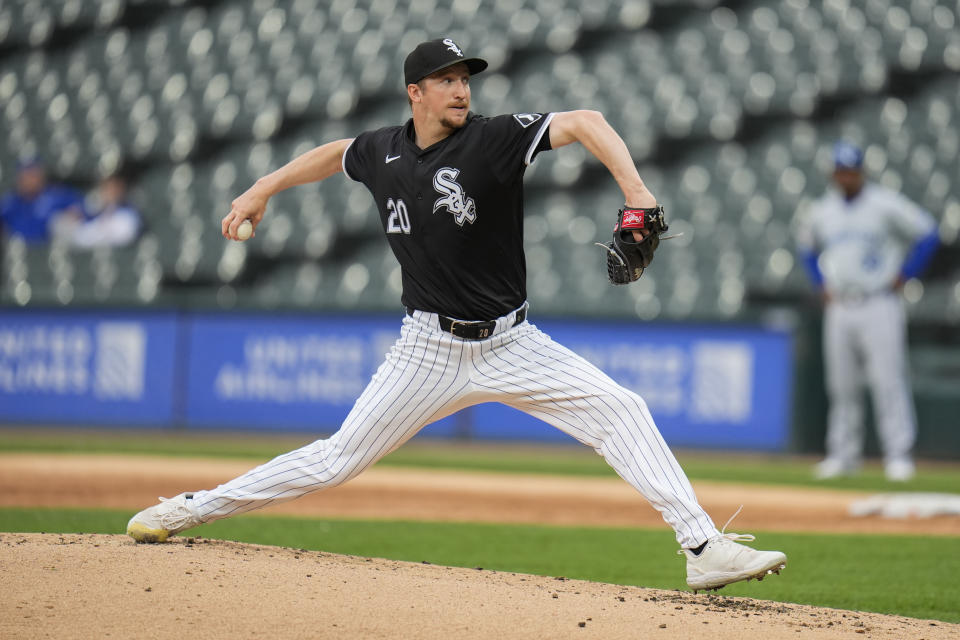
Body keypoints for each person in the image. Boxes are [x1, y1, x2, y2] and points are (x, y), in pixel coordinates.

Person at [127, 38, 786, 592]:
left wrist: (636, 190)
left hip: (512, 341)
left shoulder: (495, 142)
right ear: (415, 92)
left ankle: (703, 549)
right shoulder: (384, 152)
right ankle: (191, 508)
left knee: (622, 410)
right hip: (427, 352)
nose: (462, 89)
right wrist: (260, 189)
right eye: (446, 80)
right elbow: (336, 152)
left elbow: (584, 120)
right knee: (336, 461)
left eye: (465, 78)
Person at [798, 141, 939, 482]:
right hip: (841, 304)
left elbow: (929, 233)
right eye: (840, 171)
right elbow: (806, 248)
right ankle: (843, 455)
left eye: (851, 171)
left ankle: (899, 454)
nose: (846, 176)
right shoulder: (822, 210)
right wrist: (820, 282)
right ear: (834, 173)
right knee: (841, 384)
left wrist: (907, 274)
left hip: (879, 301)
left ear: (861, 172)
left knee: (888, 380)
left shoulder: (884, 204)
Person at [0, 157, 84, 243]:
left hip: (52, 247)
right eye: (26, 175)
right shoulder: (10, 203)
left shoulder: (58, 196)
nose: (30, 180)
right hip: (19, 248)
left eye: (33, 175)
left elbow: (81, 210)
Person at [57, 174, 142, 249]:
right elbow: (78, 238)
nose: (109, 192)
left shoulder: (128, 216)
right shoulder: (92, 210)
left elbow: (123, 239)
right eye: (106, 187)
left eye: (114, 188)